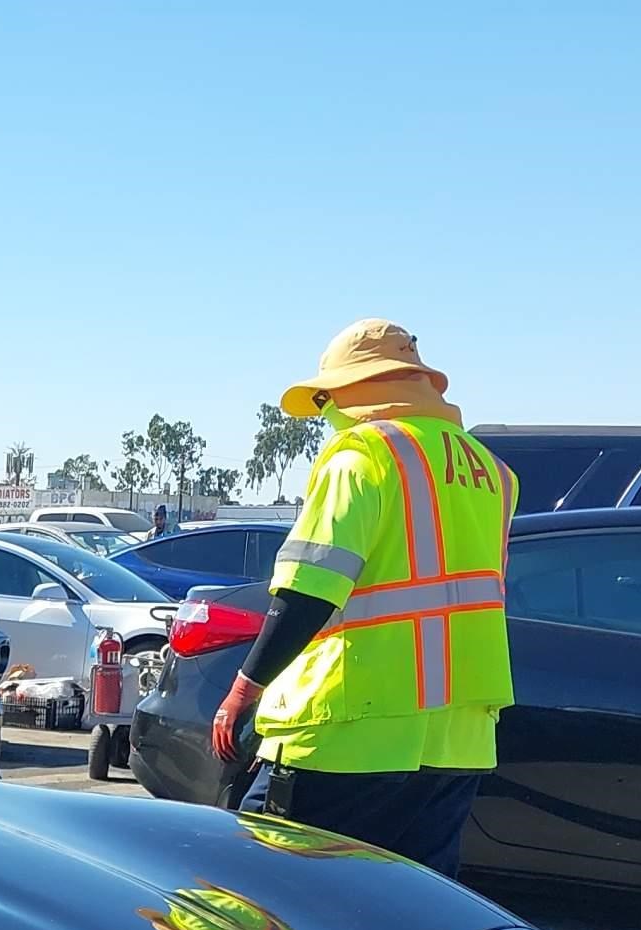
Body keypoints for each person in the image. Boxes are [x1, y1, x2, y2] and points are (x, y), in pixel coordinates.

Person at [208, 320, 516, 877]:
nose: (324, 412)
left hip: (348, 732)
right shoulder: (490, 472)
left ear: (356, 390)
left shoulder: (362, 457)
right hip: (459, 738)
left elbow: (308, 590)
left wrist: (241, 690)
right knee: (412, 917)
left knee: (267, 894)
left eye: (325, 397)